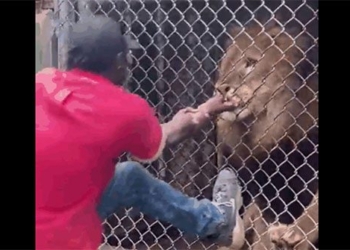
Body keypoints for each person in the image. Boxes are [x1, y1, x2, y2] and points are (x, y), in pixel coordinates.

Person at [36, 16, 242, 250]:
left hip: (51, 205)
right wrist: (201, 113)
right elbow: (162, 141)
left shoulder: (43, 80)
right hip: (59, 239)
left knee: (126, 176)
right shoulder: (125, 108)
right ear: (119, 62)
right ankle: (216, 223)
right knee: (131, 178)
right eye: (127, 56)